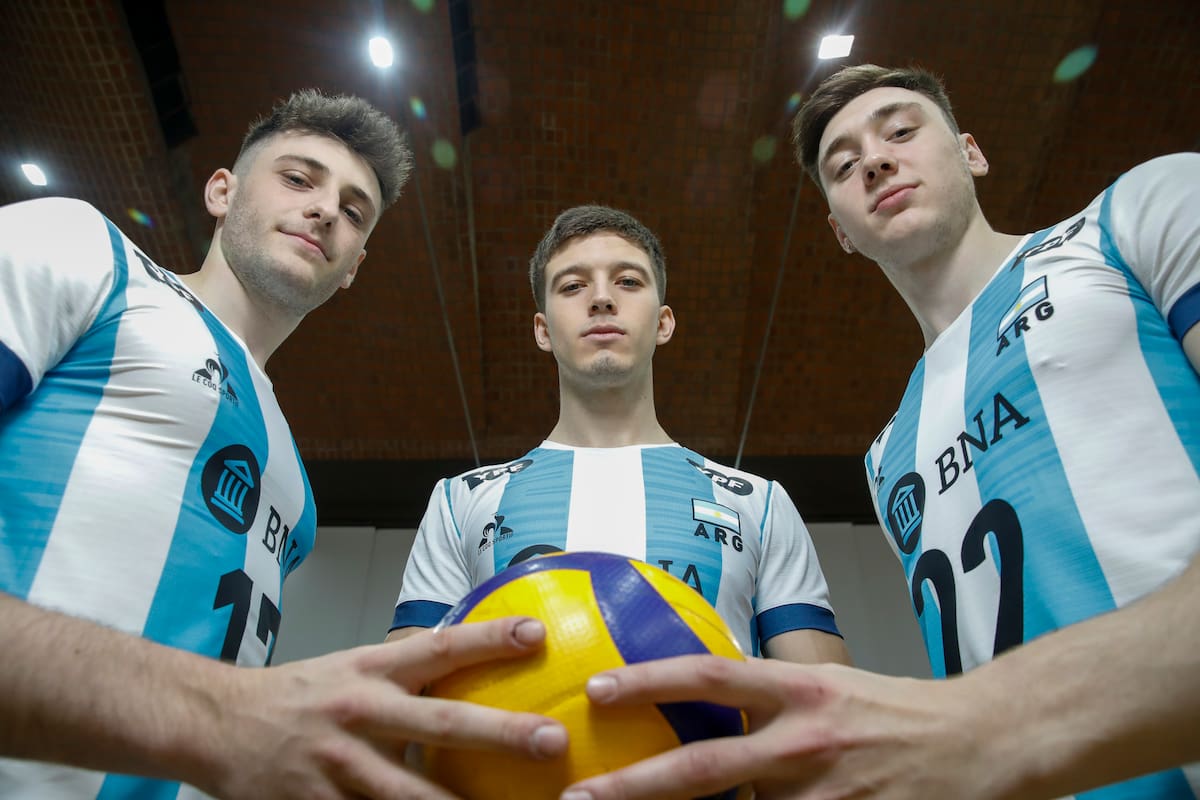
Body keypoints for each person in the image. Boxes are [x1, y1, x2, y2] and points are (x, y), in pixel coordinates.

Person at [556, 65, 1200, 800]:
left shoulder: (1138, 217)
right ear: (840, 231)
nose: (876, 160)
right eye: (844, 164)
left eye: (900, 130)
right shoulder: (889, 449)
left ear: (970, 151)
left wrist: (974, 723)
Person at [0, 89, 567, 800]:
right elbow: (229, 716)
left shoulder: (294, 485)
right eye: (299, 178)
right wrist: (220, 716)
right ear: (221, 191)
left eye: (355, 210)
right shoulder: (83, 252)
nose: (328, 208)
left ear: (355, 264)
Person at [389, 205, 850, 665]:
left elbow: (825, 704)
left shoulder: (759, 502)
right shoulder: (460, 501)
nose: (602, 299)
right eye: (573, 286)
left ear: (663, 322)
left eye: (628, 281)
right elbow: (403, 700)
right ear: (543, 330)